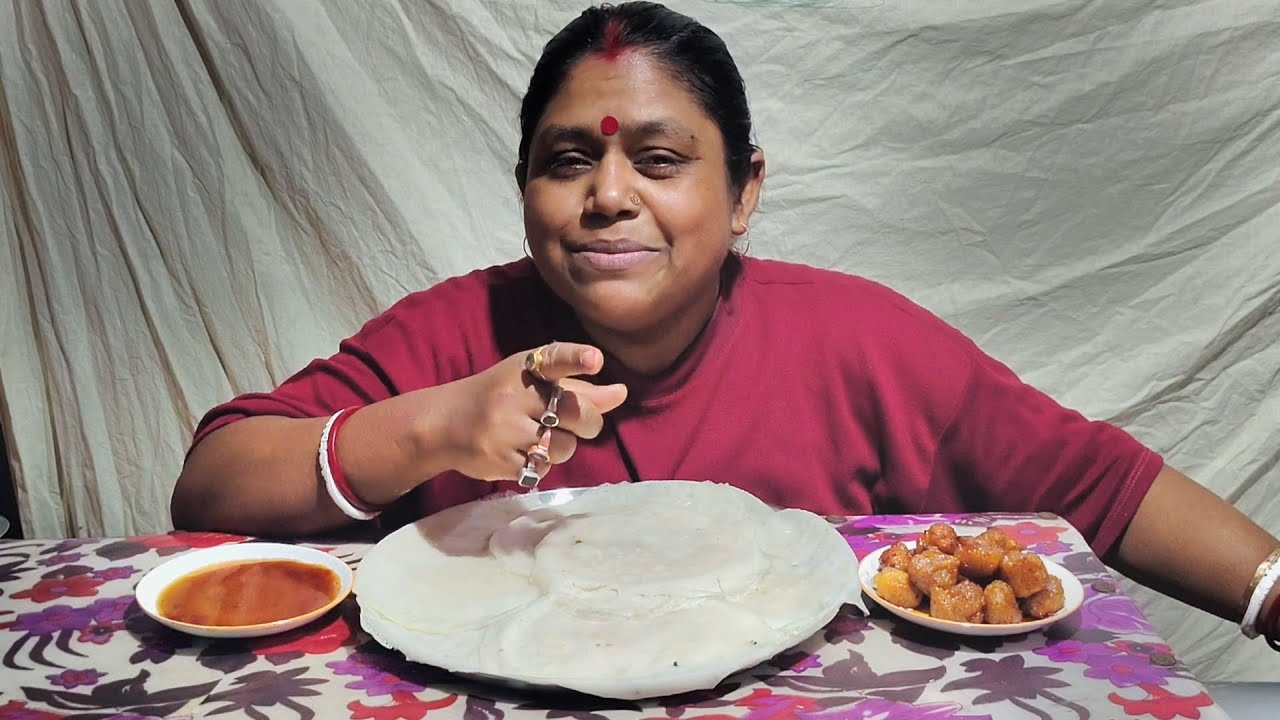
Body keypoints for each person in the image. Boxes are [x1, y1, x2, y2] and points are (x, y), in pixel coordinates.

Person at [171, 2, 1280, 646]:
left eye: (658, 161)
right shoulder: (460, 330)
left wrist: (1271, 596)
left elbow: (1097, 482)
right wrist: (426, 431)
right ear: (523, 189)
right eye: (569, 161)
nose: (608, 196)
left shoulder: (856, 341)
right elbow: (209, 488)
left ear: (741, 191)